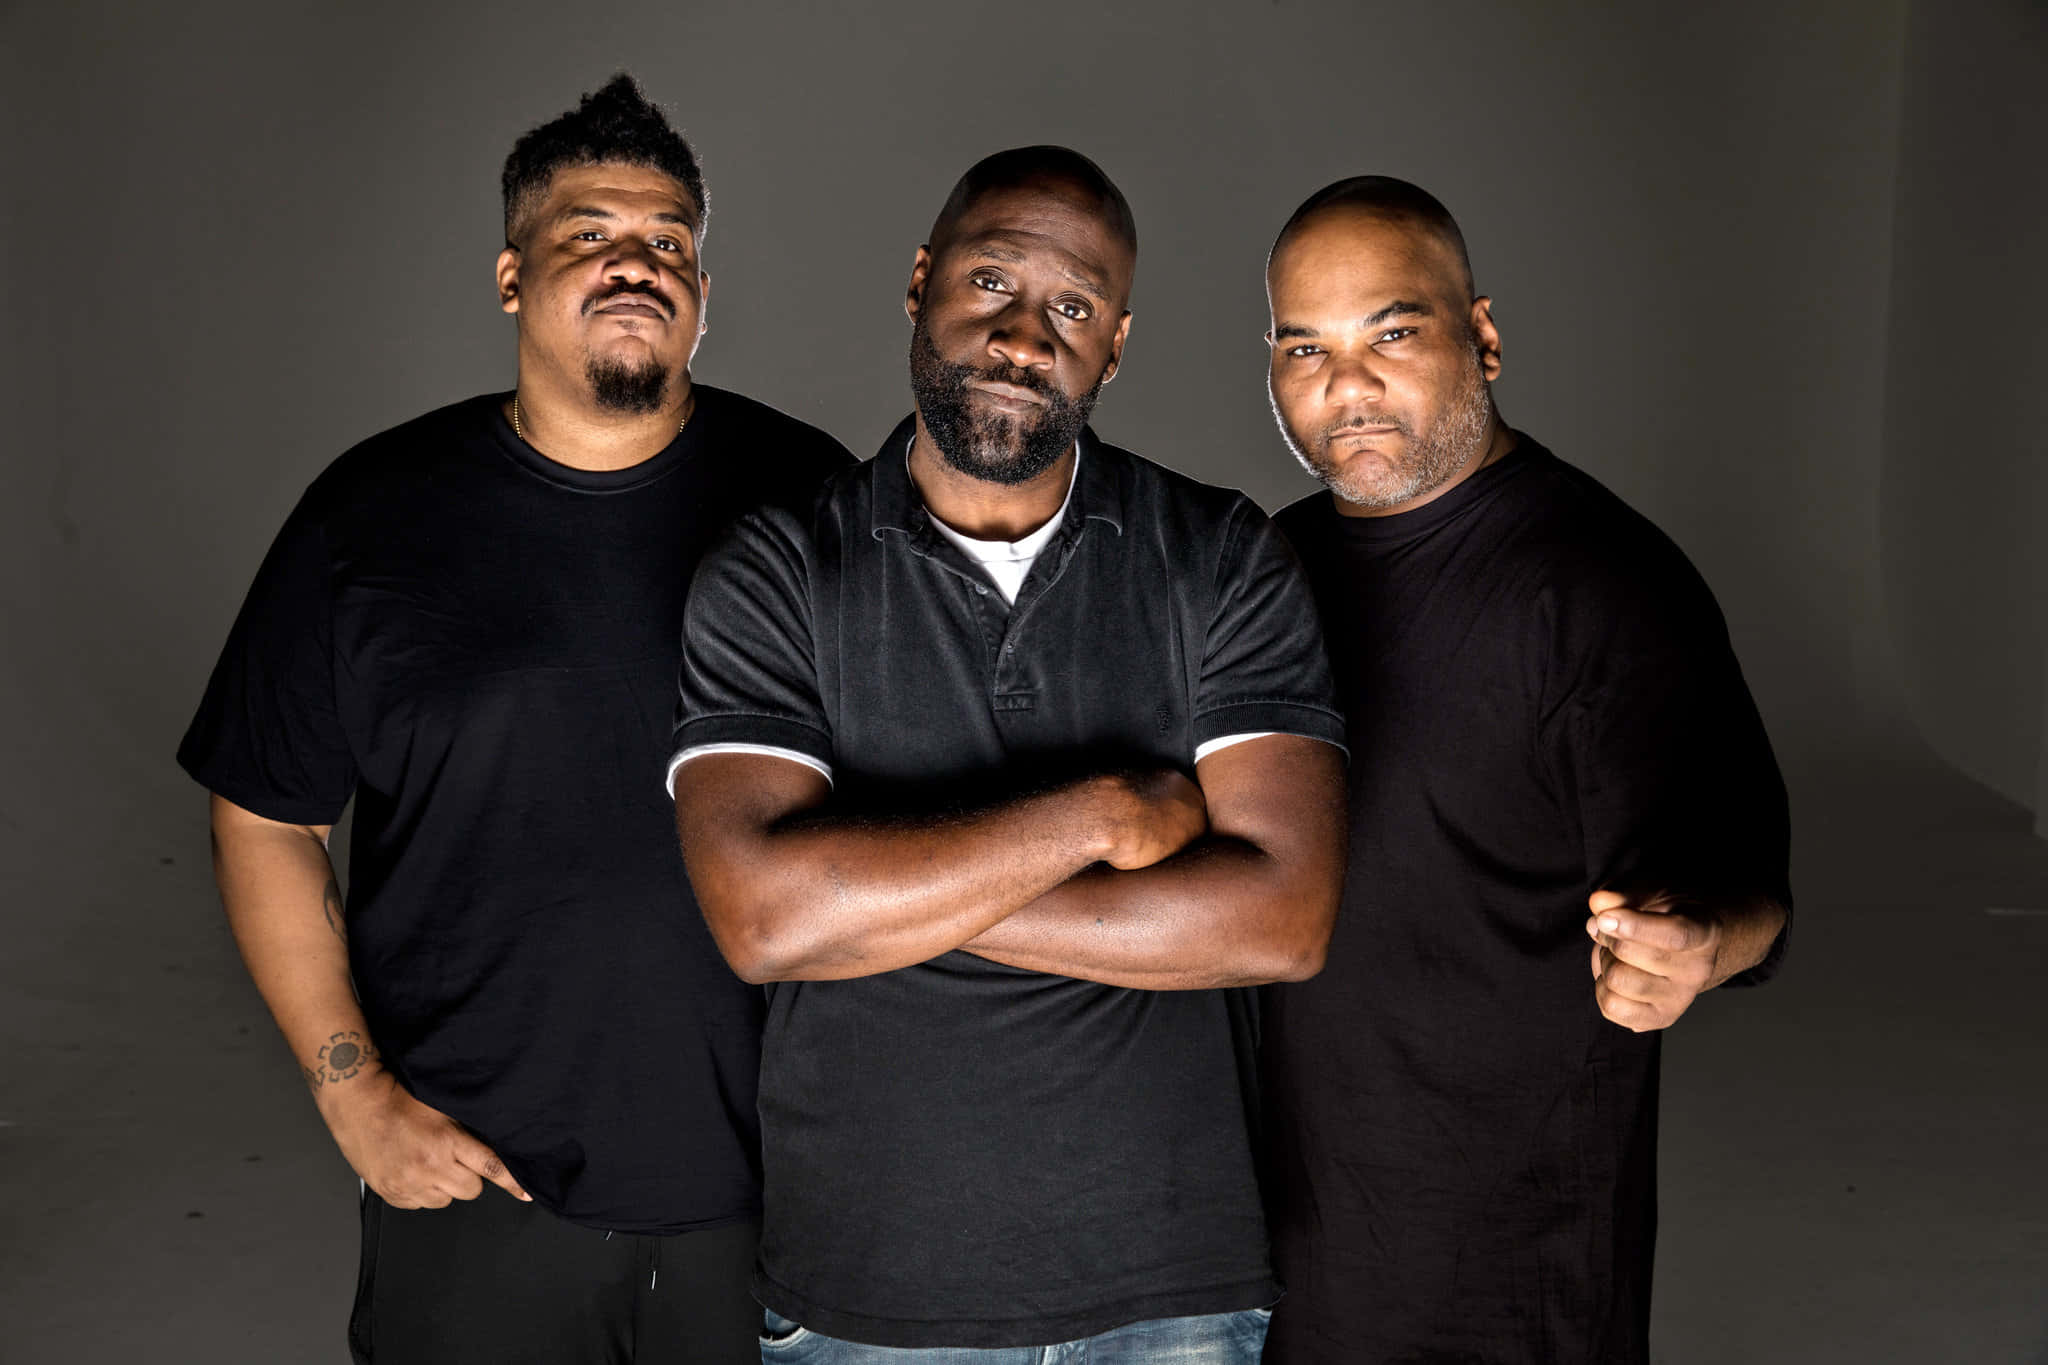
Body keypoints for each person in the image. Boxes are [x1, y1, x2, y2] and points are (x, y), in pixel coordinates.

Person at [176, 75, 852, 1364]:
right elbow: (264, 815)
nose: (633, 264)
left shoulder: (810, 498)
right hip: (477, 1192)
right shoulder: (368, 518)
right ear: (509, 277)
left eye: (667, 242)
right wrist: (352, 1097)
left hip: (790, 1196)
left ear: (702, 289)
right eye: (588, 235)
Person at [667, 146, 1348, 1361]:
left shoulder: (1219, 556)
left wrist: (882, 885)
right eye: (990, 283)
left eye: (1072, 307)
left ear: (1115, 343)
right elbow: (766, 924)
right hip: (867, 1294)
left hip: (1170, 1289)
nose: (1024, 337)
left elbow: (1278, 920)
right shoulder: (775, 572)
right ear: (922, 281)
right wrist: (1094, 818)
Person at [1254, 175, 1793, 1364]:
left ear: (1481, 336)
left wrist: (1694, 949)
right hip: (1284, 1244)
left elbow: (1739, 882)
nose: (1346, 385)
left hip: (1513, 1261)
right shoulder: (1263, 574)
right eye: (1305, 347)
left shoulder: (1600, 586)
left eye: (1391, 333)